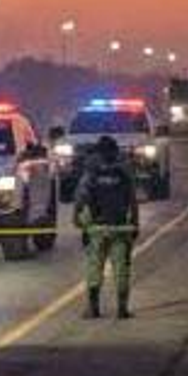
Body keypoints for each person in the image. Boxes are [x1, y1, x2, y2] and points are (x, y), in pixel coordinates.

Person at [75, 136, 140, 320]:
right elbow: (133, 201)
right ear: (115, 152)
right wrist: (135, 224)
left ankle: (93, 309)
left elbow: (81, 200)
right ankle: (122, 309)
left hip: (97, 229)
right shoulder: (123, 174)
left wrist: (80, 224)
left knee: (94, 269)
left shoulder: (91, 174)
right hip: (120, 229)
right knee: (121, 269)